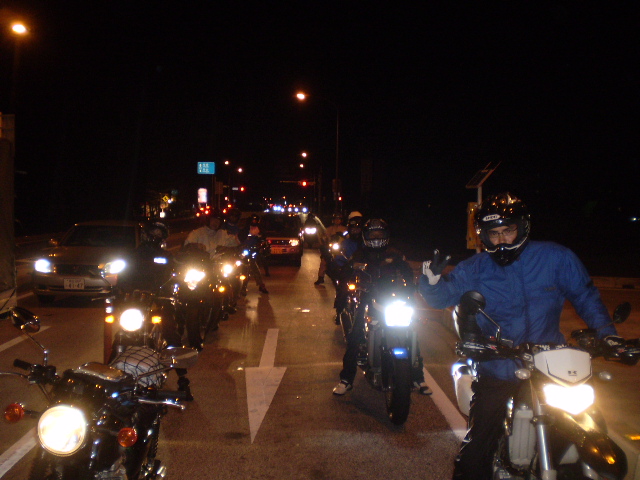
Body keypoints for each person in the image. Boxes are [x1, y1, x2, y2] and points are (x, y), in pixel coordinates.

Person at [418, 192, 624, 480]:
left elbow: (586, 297)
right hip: (498, 365)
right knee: (476, 451)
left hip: (550, 366)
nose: (501, 240)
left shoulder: (555, 257)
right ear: (483, 236)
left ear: (523, 227)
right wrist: (431, 282)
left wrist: (608, 336)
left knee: (589, 422)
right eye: (494, 233)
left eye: (508, 230)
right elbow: (443, 297)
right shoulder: (475, 268)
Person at [332, 218, 433, 396]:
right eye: (373, 234)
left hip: (392, 297)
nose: (376, 238)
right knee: (355, 337)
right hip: (368, 297)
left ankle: (418, 377)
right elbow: (346, 273)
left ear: (386, 236)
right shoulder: (360, 255)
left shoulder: (395, 255)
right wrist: (344, 289)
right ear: (366, 236)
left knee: (410, 332)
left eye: (380, 234)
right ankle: (346, 379)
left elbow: (408, 274)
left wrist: (411, 289)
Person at [116, 222, 194, 400]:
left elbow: (174, 276)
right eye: (152, 233)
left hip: (159, 301)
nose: (154, 237)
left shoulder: (165, 256)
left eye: (158, 234)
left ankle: (183, 379)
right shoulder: (132, 255)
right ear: (145, 235)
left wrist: (177, 290)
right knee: (122, 334)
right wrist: (118, 290)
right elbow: (123, 276)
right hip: (136, 302)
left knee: (170, 333)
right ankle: (111, 376)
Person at [328, 211, 365, 324]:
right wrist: (343, 265)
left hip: (364, 272)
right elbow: (338, 257)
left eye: (358, 228)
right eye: (353, 228)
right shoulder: (345, 242)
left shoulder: (366, 242)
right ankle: (339, 312)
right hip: (349, 271)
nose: (356, 231)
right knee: (343, 289)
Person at [239, 213, 269, 294]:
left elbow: (263, 240)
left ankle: (260, 285)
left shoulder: (260, 229)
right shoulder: (245, 229)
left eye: (256, 220)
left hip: (254, 252)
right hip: (244, 252)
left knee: (255, 267)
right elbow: (240, 239)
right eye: (253, 220)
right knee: (244, 269)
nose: (254, 221)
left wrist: (261, 246)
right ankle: (242, 286)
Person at [314, 213, 347, 285]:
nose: (337, 220)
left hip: (341, 249)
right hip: (331, 249)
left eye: (338, 219)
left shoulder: (344, 229)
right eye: (336, 219)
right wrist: (324, 240)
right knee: (324, 261)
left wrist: (342, 236)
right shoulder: (329, 229)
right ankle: (320, 277)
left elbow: (347, 237)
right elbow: (325, 237)